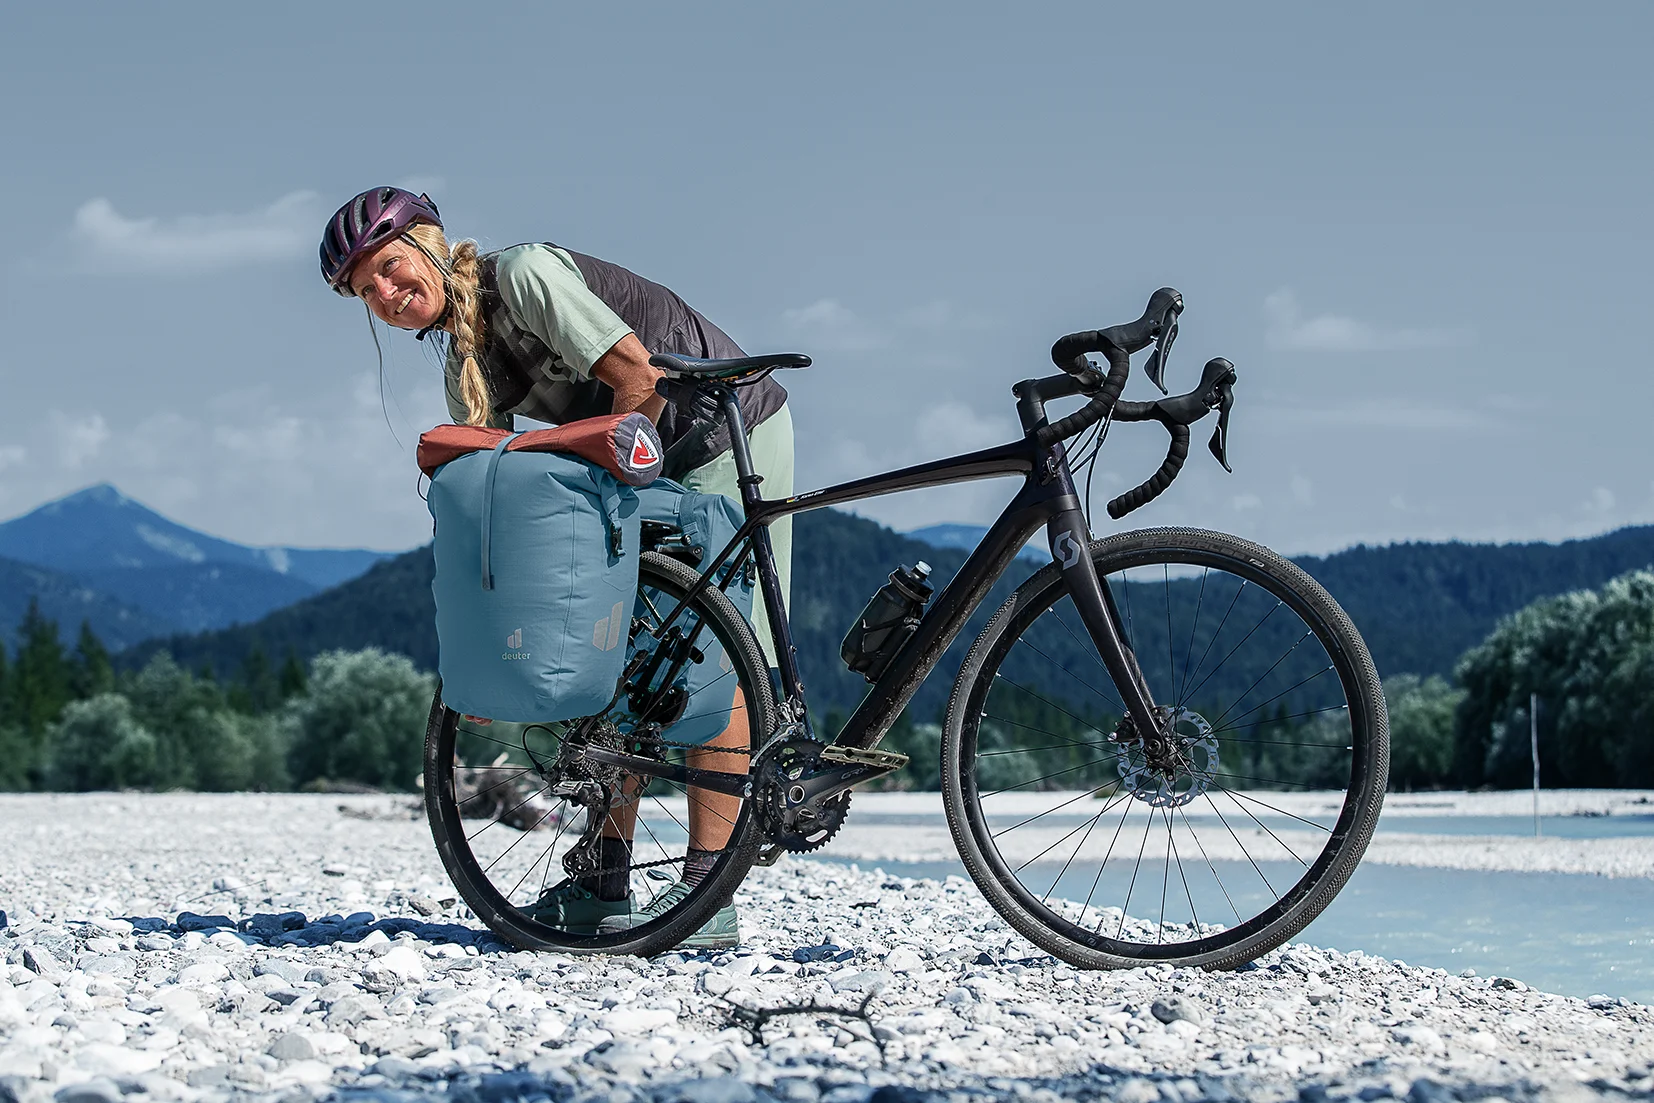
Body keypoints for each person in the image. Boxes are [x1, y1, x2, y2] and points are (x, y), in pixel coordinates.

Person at [320, 186, 794, 950]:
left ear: (432, 243)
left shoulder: (528, 275)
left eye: (388, 266)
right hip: (634, 457)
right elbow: (492, 496)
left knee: (707, 655)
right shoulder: (466, 361)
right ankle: (603, 877)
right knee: (620, 650)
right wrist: (487, 645)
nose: (383, 293)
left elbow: (638, 378)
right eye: (363, 291)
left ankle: (711, 888)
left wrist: (599, 516)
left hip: (717, 428)